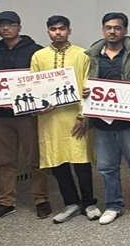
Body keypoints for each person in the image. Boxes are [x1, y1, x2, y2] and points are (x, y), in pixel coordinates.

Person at [0, 11, 49, 223]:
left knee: (35, 159)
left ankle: (41, 199)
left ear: (19, 27)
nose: (5, 28)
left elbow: (46, 79)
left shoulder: (36, 51)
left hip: (28, 115)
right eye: (1, 25)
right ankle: (6, 202)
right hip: (0, 116)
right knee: (5, 161)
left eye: (10, 24)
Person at [85, 12, 130, 225]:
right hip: (102, 121)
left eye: (117, 27)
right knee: (107, 167)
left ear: (124, 30)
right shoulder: (91, 55)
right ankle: (113, 205)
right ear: (103, 30)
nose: (112, 31)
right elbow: (83, 81)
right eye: (108, 27)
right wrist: (85, 91)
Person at [30, 15, 99, 224]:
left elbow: (89, 85)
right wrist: (38, 105)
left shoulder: (82, 54)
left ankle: (89, 203)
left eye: (62, 28)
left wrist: (83, 116)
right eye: (53, 29)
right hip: (49, 120)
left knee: (81, 161)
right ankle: (71, 203)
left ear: (69, 30)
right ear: (48, 32)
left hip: (75, 117)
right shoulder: (38, 56)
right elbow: (33, 86)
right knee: (57, 161)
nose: (58, 32)